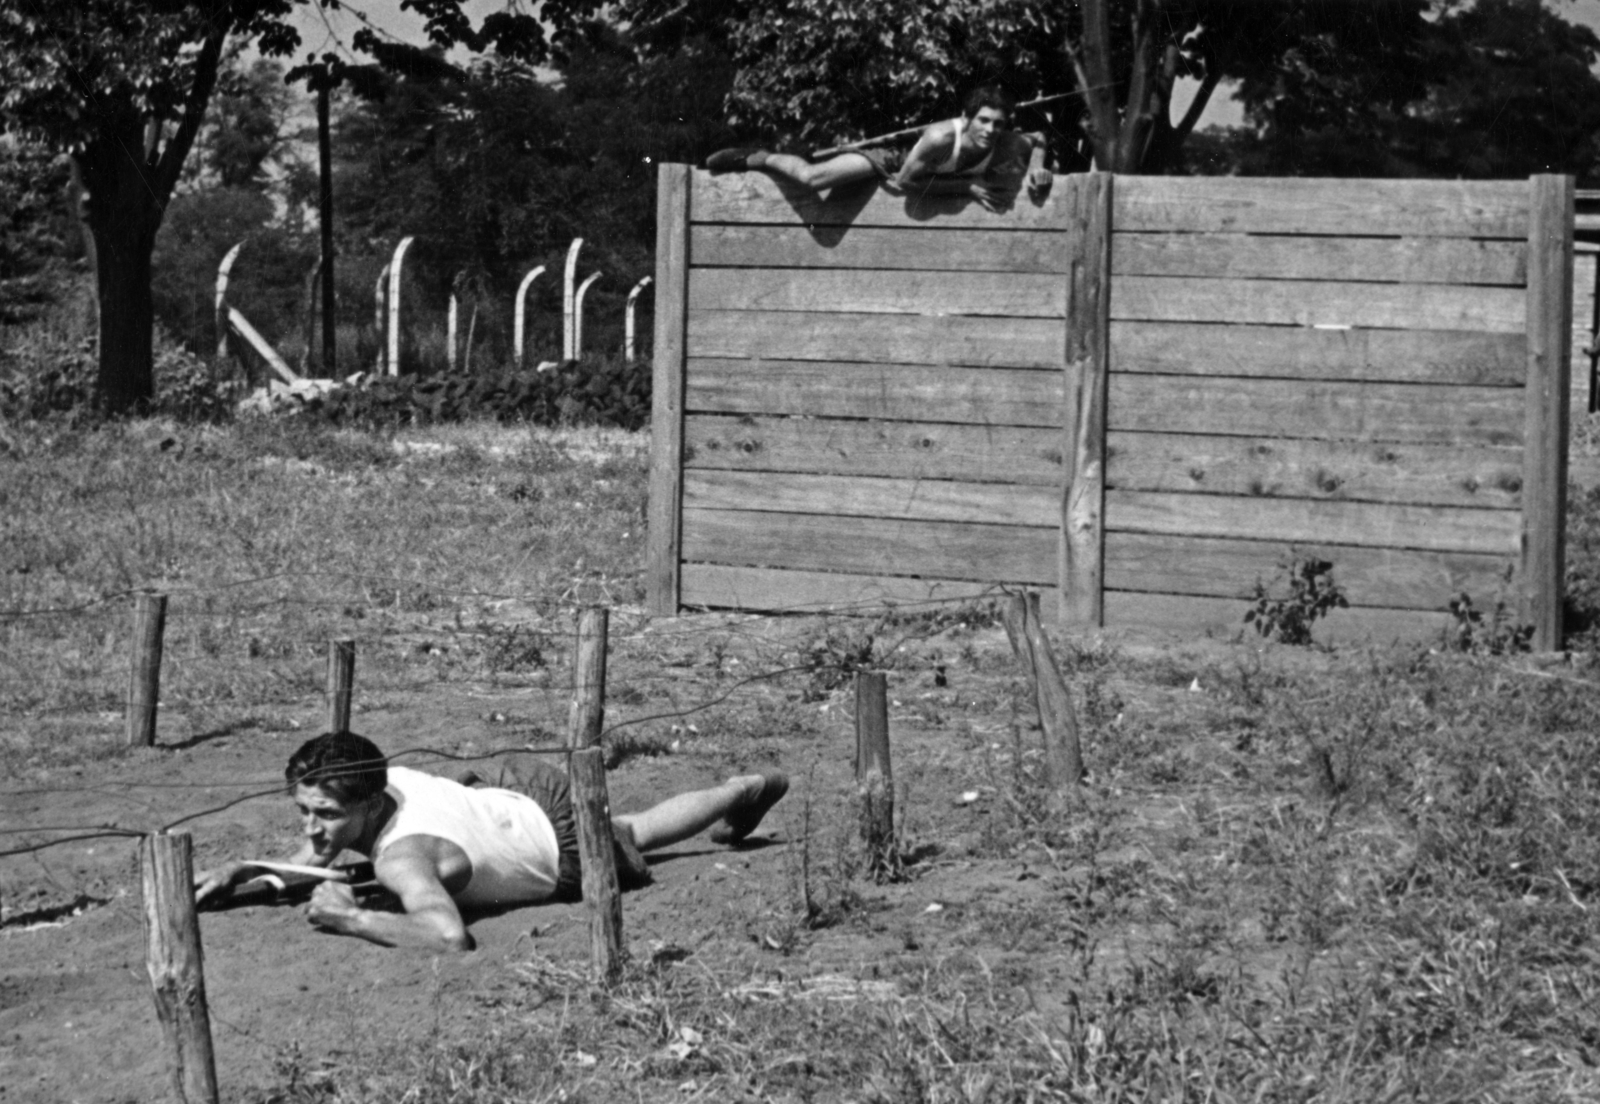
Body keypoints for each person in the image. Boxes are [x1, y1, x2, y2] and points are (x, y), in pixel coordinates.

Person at [194, 731, 789, 953]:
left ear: (369, 804)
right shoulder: (383, 777)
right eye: (303, 810)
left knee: (635, 831)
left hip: (561, 849)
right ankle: (739, 790)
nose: (310, 828)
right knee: (631, 821)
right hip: (507, 792)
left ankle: (739, 788)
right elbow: (313, 859)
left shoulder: (404, 859)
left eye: (323, 814)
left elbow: (450, 937)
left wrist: (352, 920)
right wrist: (246, 869)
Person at [705, 84, 1051, 213]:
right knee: (813, 179)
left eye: (998, 123)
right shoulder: (941, 137)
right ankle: (757, 157)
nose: (991, 130)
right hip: (900, 159)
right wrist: (966, 187)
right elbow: (903, 182)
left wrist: (1039, 167)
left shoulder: (1008, 139)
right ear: (967, 117)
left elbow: (1038, 139)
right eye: (984, 121)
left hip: (929, 171)